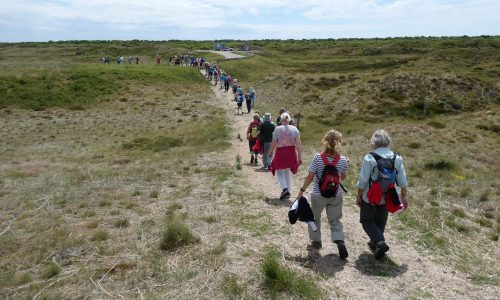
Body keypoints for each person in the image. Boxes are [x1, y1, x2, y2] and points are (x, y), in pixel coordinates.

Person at [356, 129, 408, 259]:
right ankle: (376, 243)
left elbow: (363, 180)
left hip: (371, 194)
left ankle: (379, 241)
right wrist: (404, 196)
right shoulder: (397, 158)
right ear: (388, 141)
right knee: (380, 220)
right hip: (389, 195)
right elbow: (402, 180)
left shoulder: (369, 157)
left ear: (374, 142)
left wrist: (359, 196)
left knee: (366, 220)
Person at [296, 130, 349, 259]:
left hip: (318, 195)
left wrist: (301, 191)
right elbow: (343, 178)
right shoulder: (342, 160)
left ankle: (316, 241)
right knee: (335, 220)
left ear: (325, 142)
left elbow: (310, 176)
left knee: (314, 218)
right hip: (335, 194)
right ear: (339, 144)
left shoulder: (317, 157)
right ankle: (339, 239)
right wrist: (346, 164)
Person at [269, 112, 303, 200]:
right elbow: (299, 145)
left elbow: (274, 142)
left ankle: (285, 189)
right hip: (292, 152)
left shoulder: (277, 129)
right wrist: (299, 157)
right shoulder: (295, 129)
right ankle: (288, 191)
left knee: (279, 171)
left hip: (281, 151)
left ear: (281, 120)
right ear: (289, 120)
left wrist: (271, 151)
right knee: (287, 171)